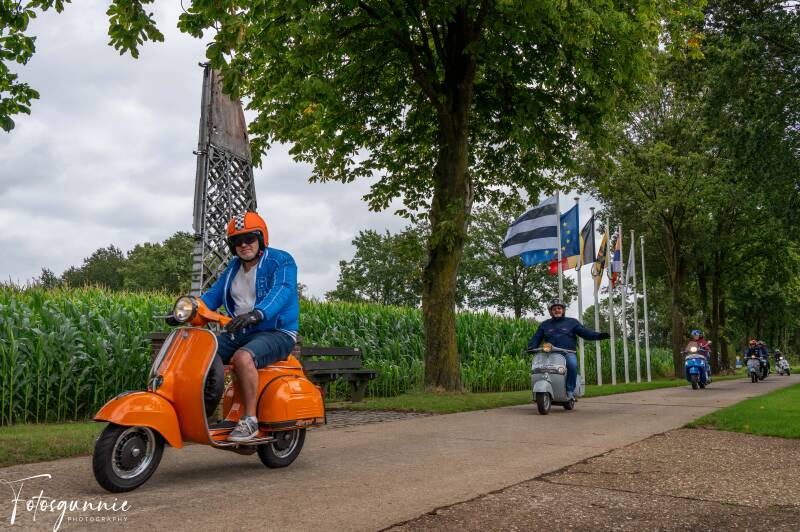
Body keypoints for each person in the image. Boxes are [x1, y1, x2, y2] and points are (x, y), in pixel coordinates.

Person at [200, 211, 299, 442]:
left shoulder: (281, 260)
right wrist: (188, 308)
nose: (243, 245)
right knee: (201, 351)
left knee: (243, 358)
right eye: (237, 241)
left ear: (261, 238)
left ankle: (250, 420)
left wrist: (258, 314)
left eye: (250, 239)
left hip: (277, 331)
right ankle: (200, 411)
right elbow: (211, 296)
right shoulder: (233, 269)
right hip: (242, 330)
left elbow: (282, 290)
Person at [527, 298, 610, 401]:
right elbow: (536, 337)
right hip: (549, 354)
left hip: (568, 353)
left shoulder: (572, 322)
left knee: (572, 364)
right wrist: (531, 347)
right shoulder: (545, 324)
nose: (557, 310)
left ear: (563, 310)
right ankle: (543, 389)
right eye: (554, 309)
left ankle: (570, 391)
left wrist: (599, 336)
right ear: (550, 311)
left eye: (559, 308)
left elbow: (585, 333)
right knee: (538, 367)